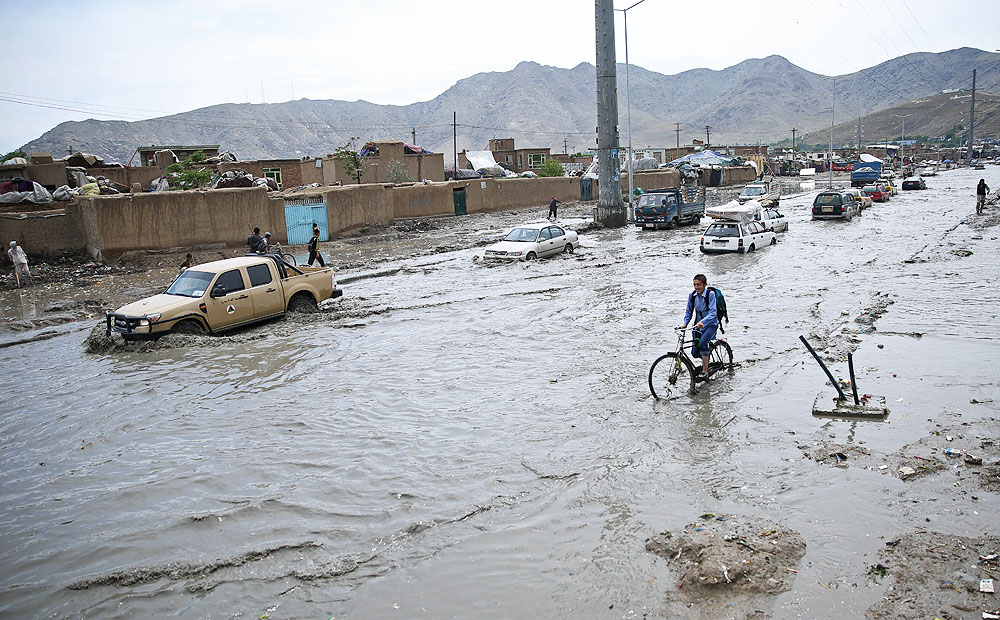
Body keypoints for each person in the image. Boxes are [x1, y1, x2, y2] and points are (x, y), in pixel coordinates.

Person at [679, 274, 718, 381]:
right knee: (695, 352)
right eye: (695, 285)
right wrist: (685, 323)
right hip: (697, 325)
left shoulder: (710, 295)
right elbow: (689, 312)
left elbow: (713, 313)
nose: (696, 287)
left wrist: (703, 322)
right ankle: (707, 359)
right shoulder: (692, 296)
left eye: (699, 285)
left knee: (703, 343)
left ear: (705, 285)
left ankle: (705, 371)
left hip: (710, 324)